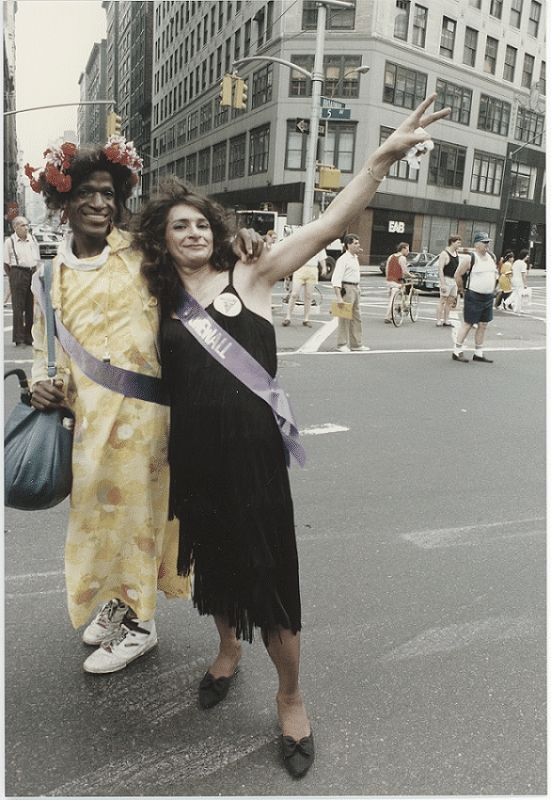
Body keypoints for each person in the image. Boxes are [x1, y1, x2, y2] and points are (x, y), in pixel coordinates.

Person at [135, 93, 450, 777]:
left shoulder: (250, 272)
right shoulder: (155, 301)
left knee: (271, 581)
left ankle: (290, 694)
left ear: (213, 230)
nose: (190, 233)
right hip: (194, 461)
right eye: (176, 227)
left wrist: (376, 161)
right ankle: (227, 650)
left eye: (198, 224)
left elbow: (332, 221)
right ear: (160, 240)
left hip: (253, 462)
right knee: (213, 568)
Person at [25, 138, 262, 674]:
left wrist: (237, 240)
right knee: (97, 521)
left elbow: (199, 253)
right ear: (64, 200)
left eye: (108, 193)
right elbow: (48, 349)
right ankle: (114, 606)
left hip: (150, 421)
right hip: (88, 425)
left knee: (137, 520)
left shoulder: (140, 251)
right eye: (85, 193)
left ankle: (140, 624)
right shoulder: (49, 274)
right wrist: (40, 385)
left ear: (121, 197)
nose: (98, 203)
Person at [452, 231, 498, 363]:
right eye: (484, 242)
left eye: (488, 242)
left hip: (488, 297)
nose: (487, 245)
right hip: (474, 295)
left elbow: (494, 274)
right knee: (468, 323)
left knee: (483, 324)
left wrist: (494, 288)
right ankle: (457, 351)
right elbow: (458, 274)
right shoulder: (470, 258)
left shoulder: (491, 257)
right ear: (477, 244)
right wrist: (462, 290)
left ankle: (478, 352)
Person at [3, 216, 40, 345]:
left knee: (30, 306)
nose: (26, 228)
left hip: (31, 272)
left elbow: (36, 258)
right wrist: (13, 276)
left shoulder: (32, 239)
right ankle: (18, 337)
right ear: (15, 227)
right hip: (17, 272)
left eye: (27, 225)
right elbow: (6, 263)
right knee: (18, 307)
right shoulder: (10, 242)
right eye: (23, 225)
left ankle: (29, 336)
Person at [331, 234, 369, 350]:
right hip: (347, 289)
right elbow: (336, 279)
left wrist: (358, 288)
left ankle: (356, 344)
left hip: (355, 288)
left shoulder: (355, 258)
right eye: (355, 243)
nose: (358, 245)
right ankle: (341, 344)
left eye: (358, 243)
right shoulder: (343, 260)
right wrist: (339, 297)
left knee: (356, 317)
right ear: (348, 245)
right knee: (344, 318)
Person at [282, 248, 326, 328]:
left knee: (308, 296)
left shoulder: (319, 243)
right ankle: (288, 317)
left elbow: (322, 257)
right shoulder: (304, 241)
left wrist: (324, 267)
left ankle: (306, 319)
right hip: (300, 268)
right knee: (294, 294)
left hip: (312, 269)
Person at [383, 241, 416, 323]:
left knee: (393, 298)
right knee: (395, 298)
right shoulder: (402, 258)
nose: (408, 252)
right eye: (407, 249)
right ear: (403, 249)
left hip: (389, 280)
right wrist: (411, 275)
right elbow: (404, 271)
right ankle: (388, 316)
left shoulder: (391, 256)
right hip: (397, 281)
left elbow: (387, 269)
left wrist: (387, 277)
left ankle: (395, 311)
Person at [435, 235, 462, 327]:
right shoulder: (444, 254)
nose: (459, 244)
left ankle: (446, 320)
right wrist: (442, 284)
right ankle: (439, 320)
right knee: (442, 300)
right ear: (452, 242)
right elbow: (440, 269)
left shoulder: (456, 253)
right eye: (458, 242)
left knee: (450, 301)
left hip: (453, 280)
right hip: (446, 279)